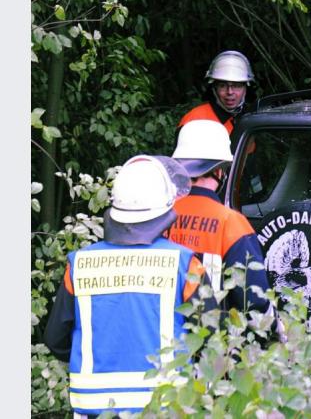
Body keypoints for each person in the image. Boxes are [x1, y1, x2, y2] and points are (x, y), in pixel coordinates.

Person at [43, 155, 217, 417]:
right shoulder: (185, 264)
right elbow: (212, 337)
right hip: (166, 406)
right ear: (165, 210)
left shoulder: (80, 265)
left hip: (94, 410)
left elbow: (55, 340)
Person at [167, 120, 284, 338]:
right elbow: (254, 301)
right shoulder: (232, 223)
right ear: (219, 171)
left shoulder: (157, 216)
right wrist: (276, 330)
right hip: (213, 348)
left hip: (163, 338)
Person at [177, 50, 255, 134]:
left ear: (246, 88)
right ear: (214, 88)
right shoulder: (195, 120)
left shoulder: (251, 119)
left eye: (236, 86)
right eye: (223, 86)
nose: (230, 92)